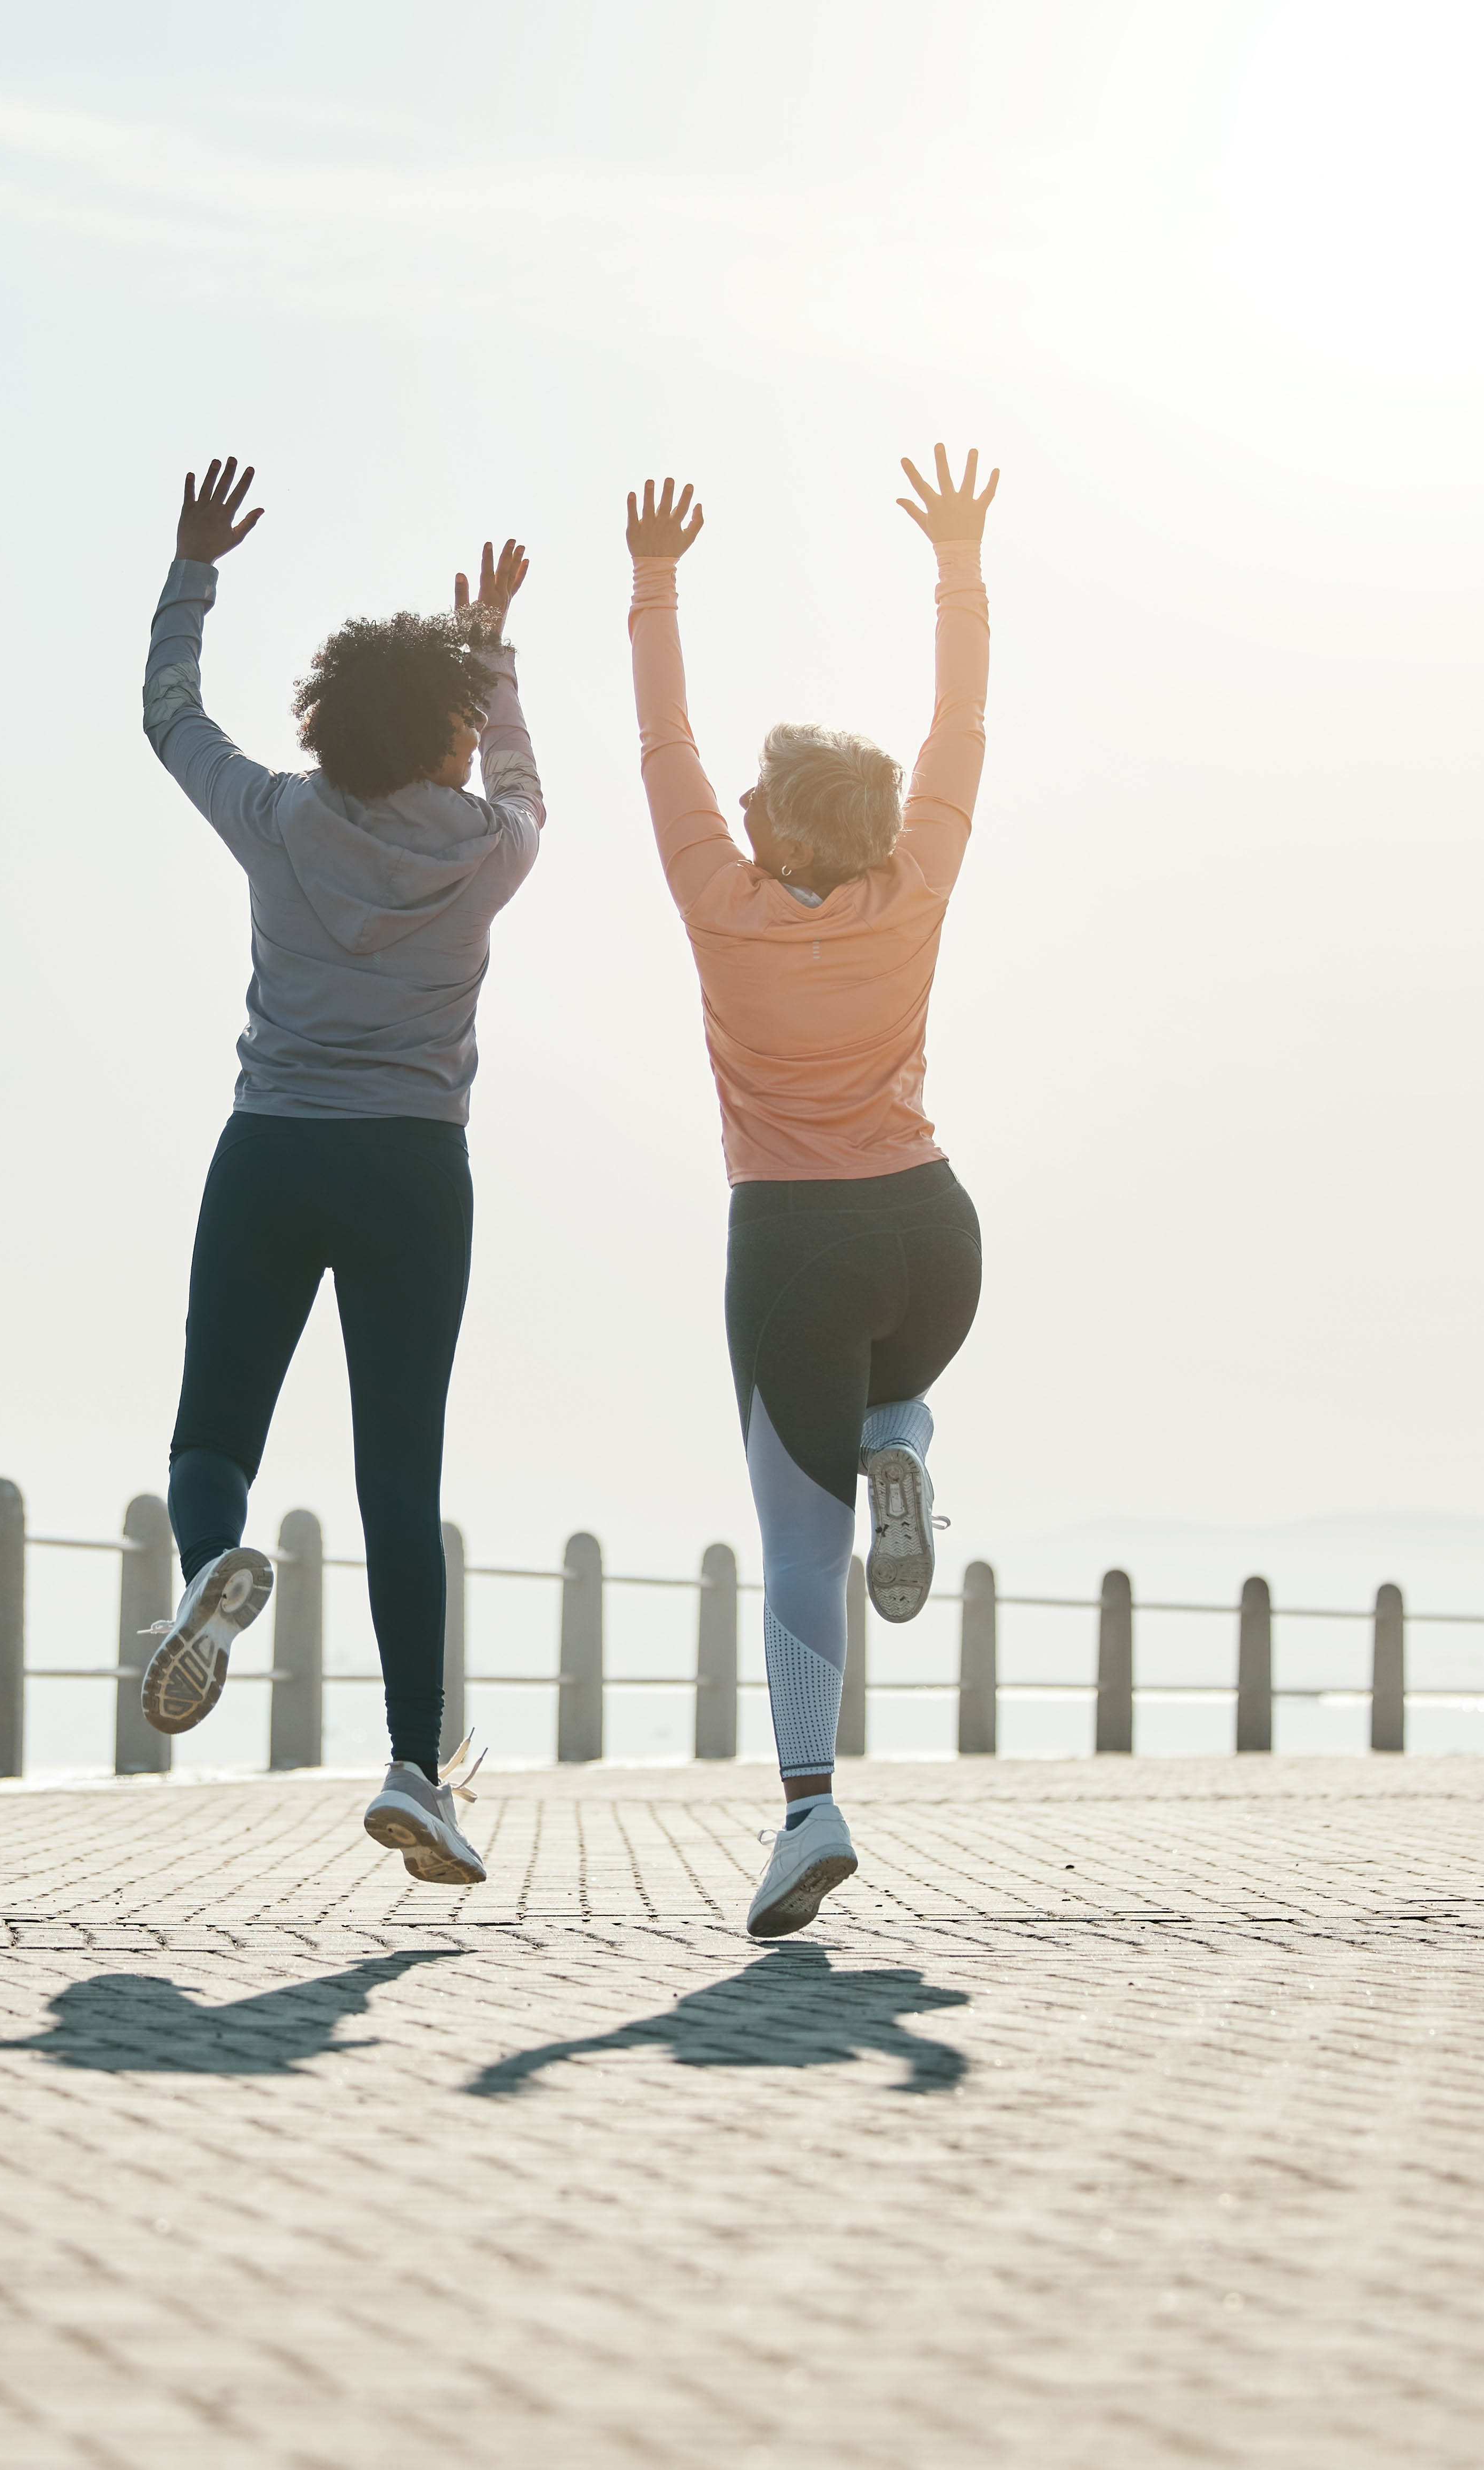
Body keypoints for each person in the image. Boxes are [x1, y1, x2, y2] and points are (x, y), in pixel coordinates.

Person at [134, 455, 539, 1887]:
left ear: (327, 724)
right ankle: (417, 1773)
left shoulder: (283, 820)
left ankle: (206, 1570)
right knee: (397, 1469)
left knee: (219, 1411)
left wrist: (196, 568)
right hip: (416, 1174)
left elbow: (169, 717)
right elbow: (522, 784)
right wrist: (492, 655)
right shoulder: (490, 855)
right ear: (445, 733)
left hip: (274, 1146)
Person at [624, 446, 996, 1937]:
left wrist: (654, 582)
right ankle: (905, 1431)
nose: (735, 794)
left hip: (796, 1248)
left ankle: (806, 1810)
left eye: (756, 792)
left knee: (799, 1546)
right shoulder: (918, 886)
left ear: (774, 829)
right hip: (938, 1237)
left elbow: (663, 747)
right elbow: (961, 725)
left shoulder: (724, 903)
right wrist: (959, 562)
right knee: (889, 1398)